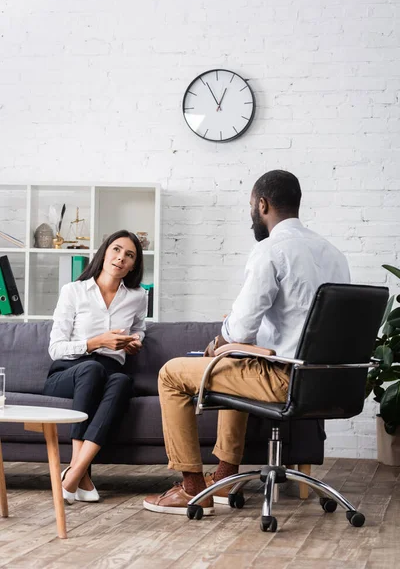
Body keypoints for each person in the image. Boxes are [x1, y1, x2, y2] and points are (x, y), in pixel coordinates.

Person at [143, 170, 350, 515]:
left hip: (286, 380)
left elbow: (238, 330)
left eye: (251, 206)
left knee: (171, 374)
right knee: (234, 363)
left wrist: (220, 340)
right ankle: (225, 480)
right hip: (329, 382)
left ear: (262, 204)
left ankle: (193, 490)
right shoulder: (333, 254)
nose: (251, 214)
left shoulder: (271, 251)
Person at [43, 229, 147, 504]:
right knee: (92, 369)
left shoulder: (137, 296)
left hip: (111, 371)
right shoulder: (74, 291)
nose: (120, 258)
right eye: (116, 249)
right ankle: (80, 473)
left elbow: (139, 329)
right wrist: (94, 342)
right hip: (69, 371)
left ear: (134, 264)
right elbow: (55, 349)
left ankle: (74, 472)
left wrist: (134, 342)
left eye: (129, 255)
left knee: (124, 382)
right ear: (104, 252)